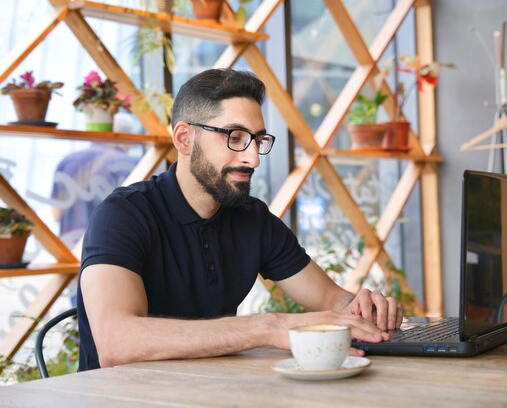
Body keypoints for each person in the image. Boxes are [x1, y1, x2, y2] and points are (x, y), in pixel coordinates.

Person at [78, 68, 403, 371]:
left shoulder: (252, 218)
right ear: (184, 138)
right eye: (234, 136)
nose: (251, 158)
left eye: (258, 140)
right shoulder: (123, 215)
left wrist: (359, 306)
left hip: (211, 395)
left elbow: (329, 299)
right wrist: (268, 327)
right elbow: (115, 341)